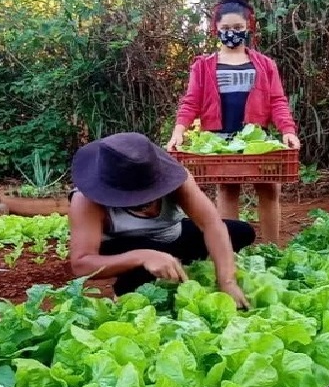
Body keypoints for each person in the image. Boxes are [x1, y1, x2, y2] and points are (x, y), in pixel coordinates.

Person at [165, 0, 300, 245]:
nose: (232, 32)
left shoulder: (265, 64)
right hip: (220, 140)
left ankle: (273, 249)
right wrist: (179, 131)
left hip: (256, 138)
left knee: (270, 188)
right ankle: (232, 250)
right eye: (226, 27)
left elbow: (277, 101)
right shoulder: (203, 66)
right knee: (228, 189)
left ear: (248, 26)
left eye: (238, 27)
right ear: (216, 28)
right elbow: (191, 102)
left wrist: (288, 130)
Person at [68, 131, 253, 306]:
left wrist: (227, 281)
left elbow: (211, 224)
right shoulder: (85, 200)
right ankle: (130, 286)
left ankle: (174, 267)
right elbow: (81, 264)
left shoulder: (176, 180)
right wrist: (142, 257)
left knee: (240, 232)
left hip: (171, 238)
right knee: (142, 270)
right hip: (124, 248)